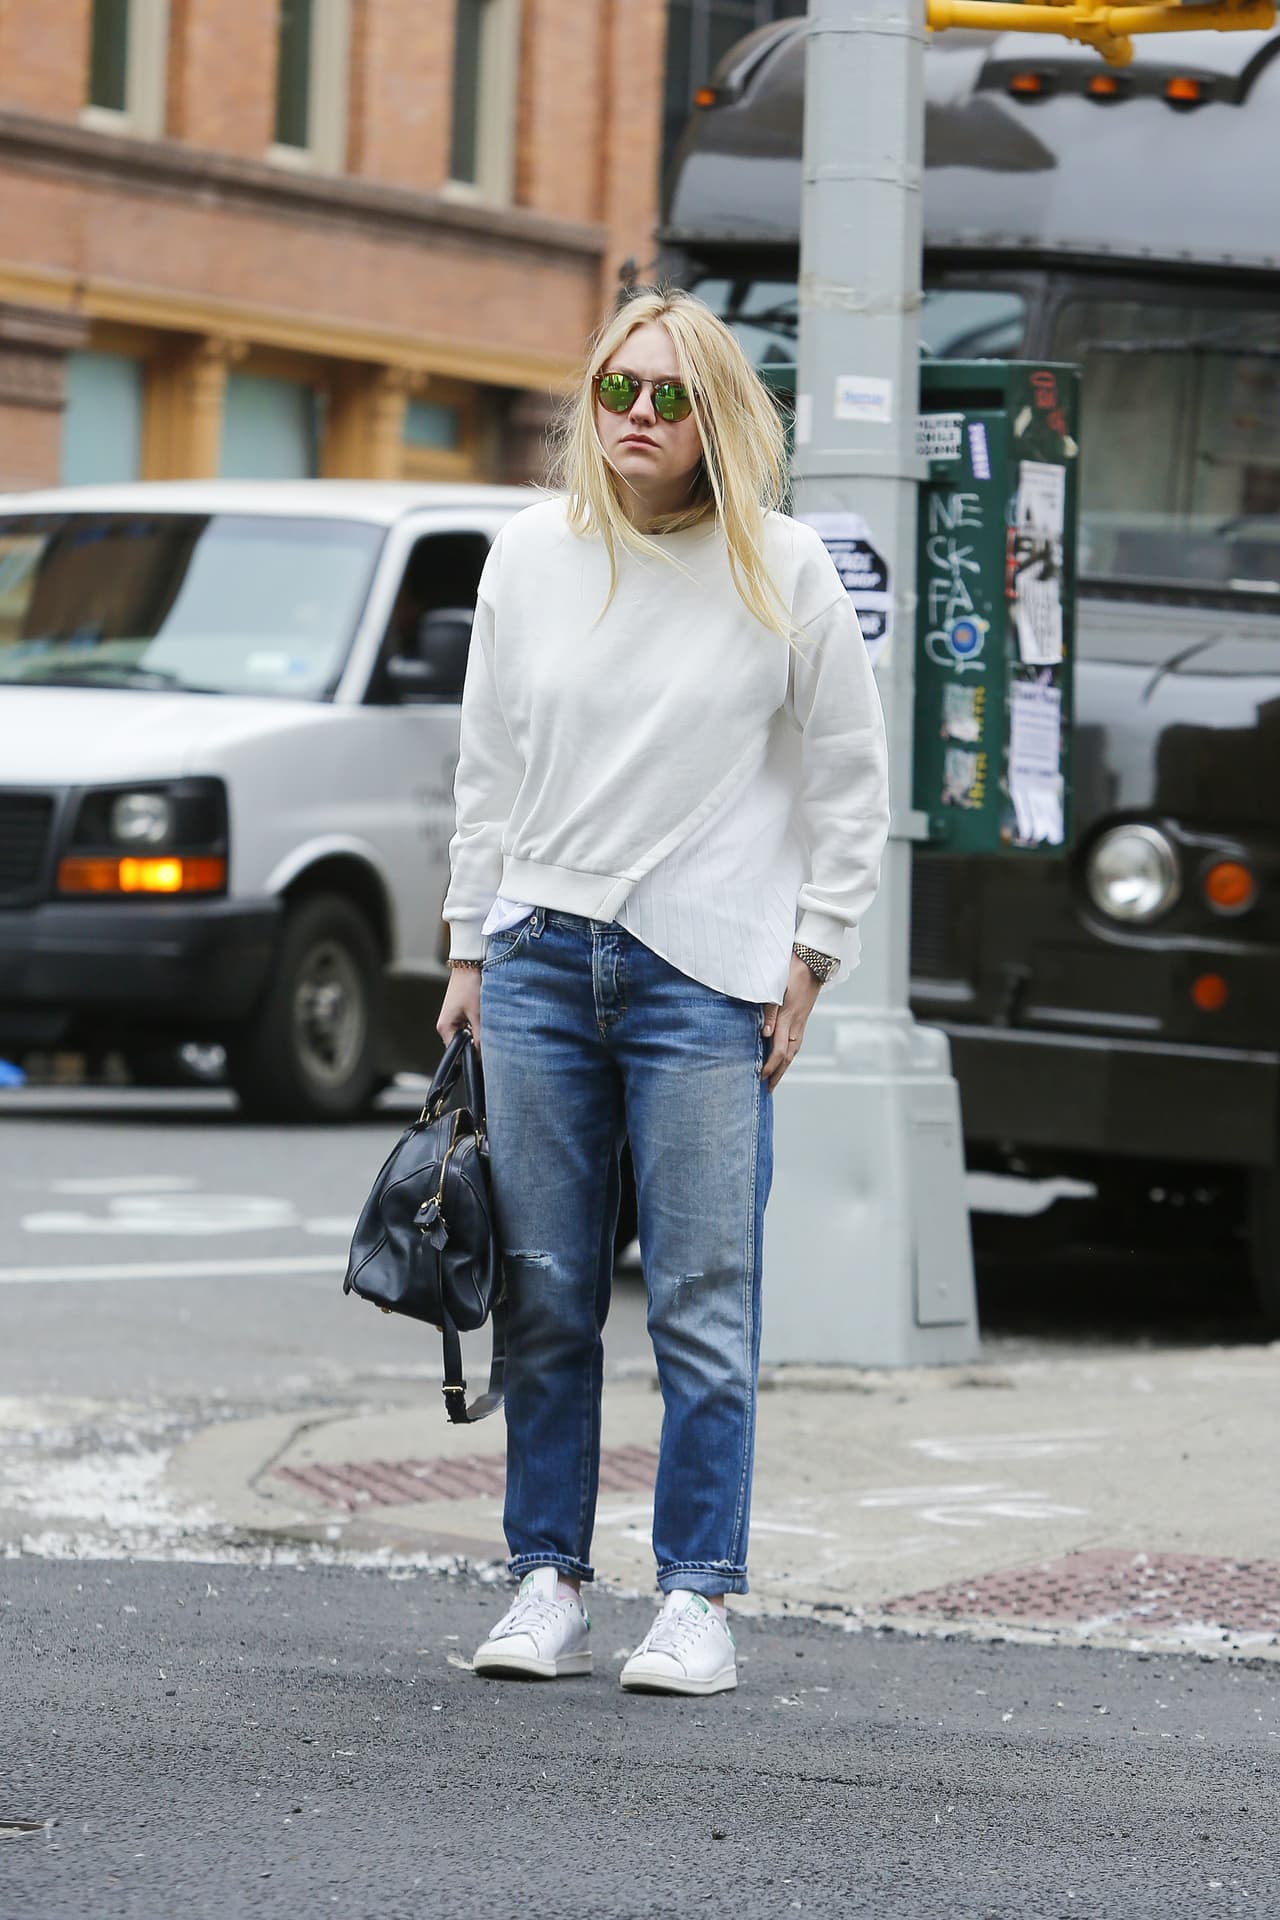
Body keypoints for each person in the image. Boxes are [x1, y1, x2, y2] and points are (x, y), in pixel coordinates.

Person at [437, 287, 889, 1696]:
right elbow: (488, 766)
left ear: (719, 419)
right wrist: (465, 946)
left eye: (671, 396)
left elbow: (851, 779)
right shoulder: (530, 555)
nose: (638, 414)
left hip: (708, 973)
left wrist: (813, 954)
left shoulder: (783, 568)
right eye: (617, 388)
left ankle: (697, 1596)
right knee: (547, 1293)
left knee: (701, 1296)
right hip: (536, 960)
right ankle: (548, 1581)